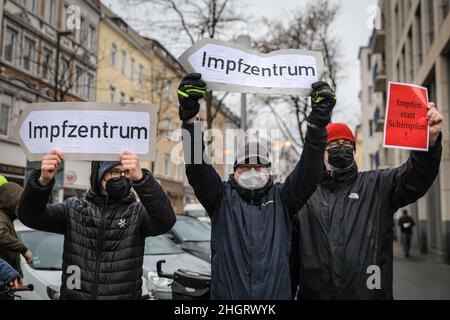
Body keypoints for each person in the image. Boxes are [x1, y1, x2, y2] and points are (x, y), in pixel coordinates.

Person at [178, 73, 335, 299]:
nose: (253, 171)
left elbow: (309, 172)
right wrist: (190, 118)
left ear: (269, 170)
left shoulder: (283, 199)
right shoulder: (220, 198)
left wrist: (318, 124)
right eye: (246, 166)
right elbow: (197, 167)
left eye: (259, 166)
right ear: (235, 170)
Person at [291, 103, 443, 300]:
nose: (342, 148)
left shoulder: (377, 185)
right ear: (322, 151)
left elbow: (414, 178)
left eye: (347, 145)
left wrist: (429, 144)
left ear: (354, 151)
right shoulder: (305, 196)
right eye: (334, 145)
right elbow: (290, 259)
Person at [18, 150, 176, 300]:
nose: (121, 177)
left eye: (125, 173)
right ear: (98, 176)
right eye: (114, 172)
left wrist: (142, 179)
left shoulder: (136, 212)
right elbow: (30, 217)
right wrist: (42, 182)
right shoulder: (74, 209)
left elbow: (165, 221)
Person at [0, 182, 33, 275]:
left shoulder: (6, 217)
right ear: (10, 201)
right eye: (19, 202)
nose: (21, 206)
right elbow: (1, 234)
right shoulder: (2, 216)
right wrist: (23, 249)